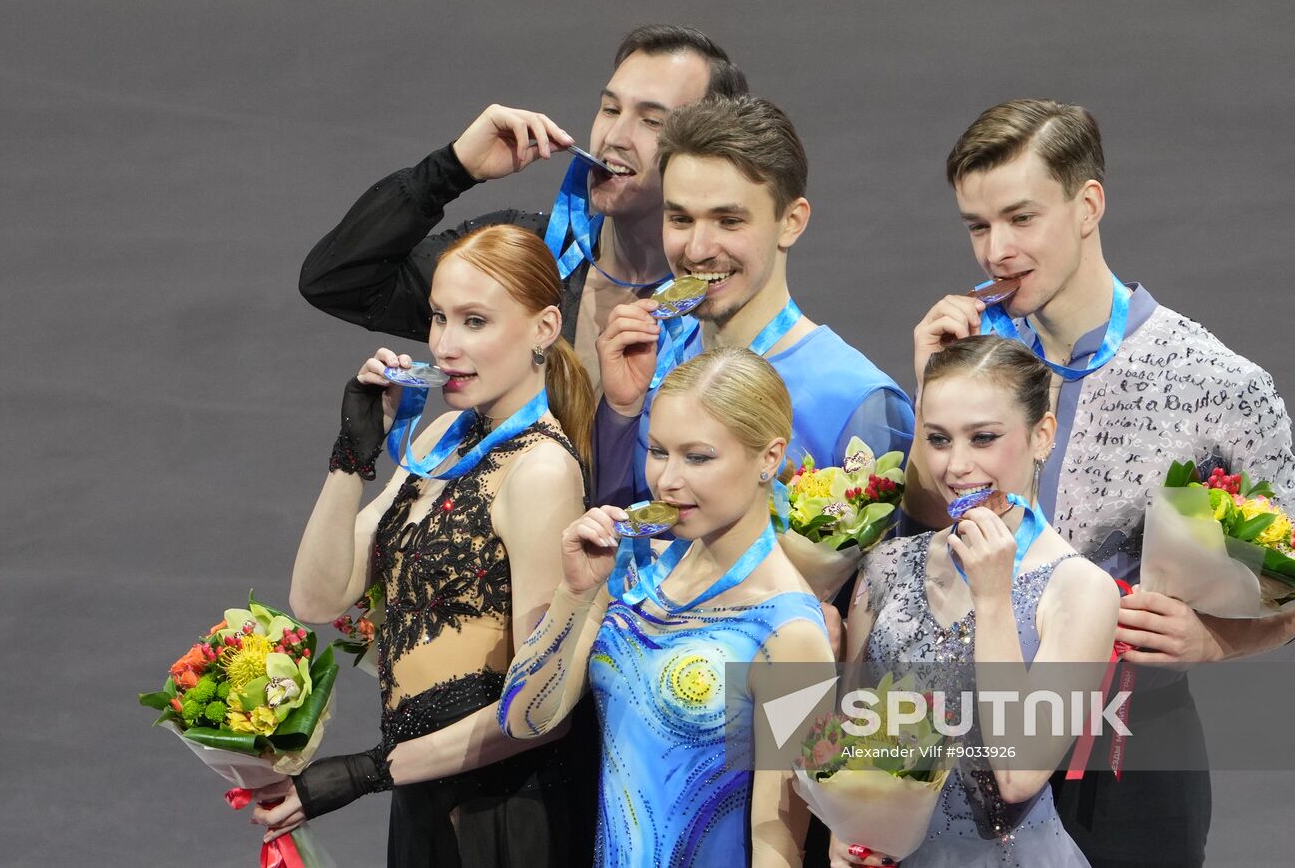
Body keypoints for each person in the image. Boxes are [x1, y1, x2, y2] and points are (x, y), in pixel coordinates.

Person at [909, 99, 1295, 866]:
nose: (995, 250)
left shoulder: (1212, 378)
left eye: (1019, 218)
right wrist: (924, 393)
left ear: (1087, 206)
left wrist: (1221, 638)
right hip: (973, 733)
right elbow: (919, 535)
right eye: (977, 226)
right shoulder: (972, 356)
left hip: (1128, 756)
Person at [252, 225, 597, 866]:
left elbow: (540, 706)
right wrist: (351, 457)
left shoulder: (541, 470)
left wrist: (366, 771)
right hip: (423, 792)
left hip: (504, 810)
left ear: (544, 328)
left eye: (474, 321)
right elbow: (315, 597)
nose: (445, 345)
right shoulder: (441, 436)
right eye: (439, 318)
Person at [498, 346, 836, 866]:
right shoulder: (631, 563)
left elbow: (781, 841)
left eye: (697, 457)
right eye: (658, 451)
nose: (667, 480)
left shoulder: (791, 632)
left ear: (770, 458)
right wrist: (576, 594)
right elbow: (525, 721)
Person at [298, 24, 747, 380]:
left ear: (710, 150)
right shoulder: (519, 262)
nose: (614, 137)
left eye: (651, 120)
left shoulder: (728, 302)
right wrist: (452, 169)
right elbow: (338, 281)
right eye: (610, 110)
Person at [833, 335, 1119, 867]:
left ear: (1042, 435)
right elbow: (853, 738)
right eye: (938, 439)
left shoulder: (1080, 589)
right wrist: (845, 832)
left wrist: (992, 597)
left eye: (983, 437)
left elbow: (1018, 775)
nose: (956, 465)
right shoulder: (889, 565)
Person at [591, 94, 912, 513]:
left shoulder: (859, 402)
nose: (699, 249)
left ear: (791, 222)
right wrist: (620, 412)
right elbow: (615, 535)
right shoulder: (650, 358)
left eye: (729, 221)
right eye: (681, 219)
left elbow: (883, 572)